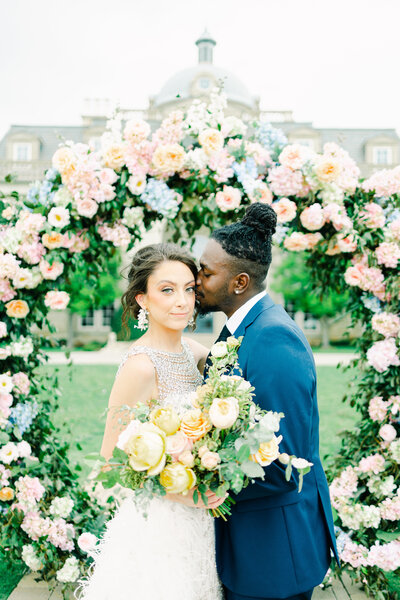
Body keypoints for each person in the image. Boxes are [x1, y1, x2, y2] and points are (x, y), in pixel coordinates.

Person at [196, 203, 339, 600]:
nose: (197, 280)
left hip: (274, 553)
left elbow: (284, 462)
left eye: (206, 272)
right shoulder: (241, 331)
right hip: (251, 545)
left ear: (239, 282)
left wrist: (197, 478)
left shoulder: (274, 339)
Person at [75, 243, 223, 600]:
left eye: (189, 289)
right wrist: (184, 493)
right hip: (160, 525)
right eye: (167, 290)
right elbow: (112, 460)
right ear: (143, 299)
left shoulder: (198, 354)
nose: (182, 301)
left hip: (203, 520)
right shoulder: (140, 367)